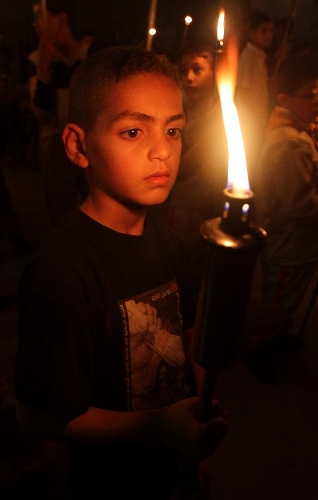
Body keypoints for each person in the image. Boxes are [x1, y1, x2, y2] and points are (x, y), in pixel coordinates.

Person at [14, 46, 229, 500]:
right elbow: (37, 416)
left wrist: (196, 442)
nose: (162, 151)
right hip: (106, 479)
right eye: (133, 131)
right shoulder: (64, 270)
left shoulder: (172, 244)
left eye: (174, 130)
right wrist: (158, 426)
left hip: (171, 463)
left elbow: (188, 336)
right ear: (78, 145)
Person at [242, 53, 318, 385]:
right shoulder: (289, 144)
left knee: (288, 298)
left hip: (297, 243)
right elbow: (300, 204)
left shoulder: (294, 131)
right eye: (311, 96)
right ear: (285, 99)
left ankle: (275, 333)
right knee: (279, 297)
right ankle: (256, 345)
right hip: (290, 243)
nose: (317, 102)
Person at [156, 39, 227, 295]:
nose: (188, 77)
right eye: (183, 70)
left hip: (204, 204)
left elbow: (189, 165)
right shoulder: (180, 111)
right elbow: (178, 165)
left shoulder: (221, 117)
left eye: (197, 69)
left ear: (216, 72)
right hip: (182, 204)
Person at [30, 0, 88, 227]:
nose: (35, 23)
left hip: (90, 145)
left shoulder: (89, 57)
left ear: (61, 19)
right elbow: (41, 113)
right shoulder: (38, 58)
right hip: (55, 148)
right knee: (61, 217)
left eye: (40, 15)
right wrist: (43, 68)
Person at [235, 9, 274, 184]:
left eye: (271, 31)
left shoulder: (262, 56)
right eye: (263, 31)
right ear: (252, 33)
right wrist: (250, 118)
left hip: (259, 116)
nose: (268, 35)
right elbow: (242, 90)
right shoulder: (247, 56)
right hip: (250, 118)